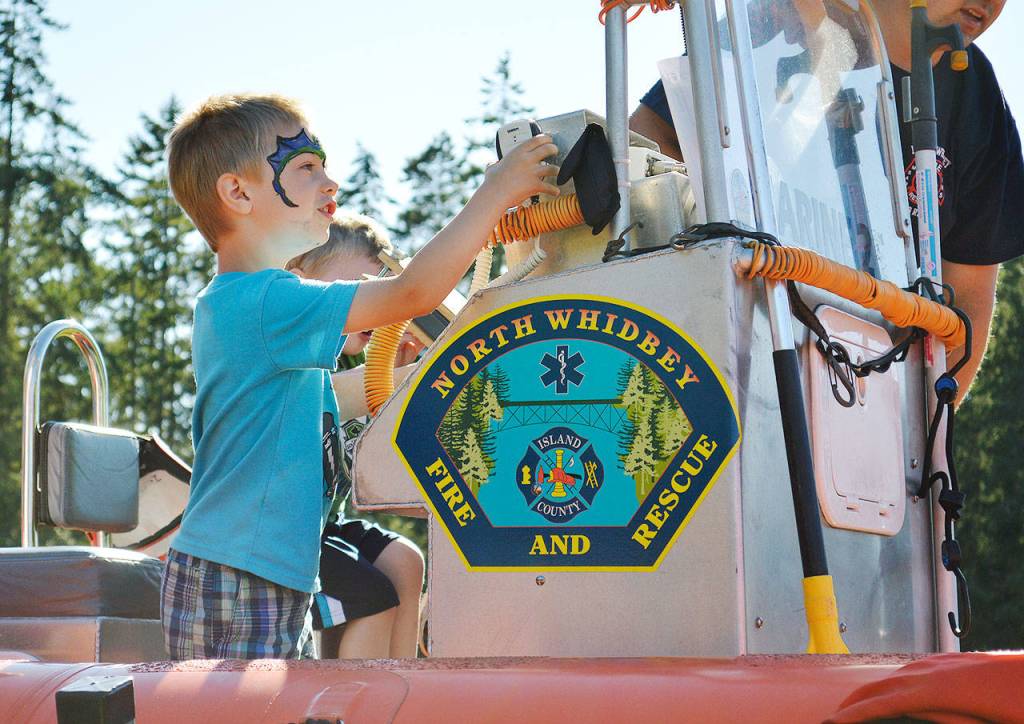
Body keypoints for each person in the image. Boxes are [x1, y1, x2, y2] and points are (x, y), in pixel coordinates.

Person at [161, 93, 558, 660]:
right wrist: (496, 194)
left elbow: (351, 394)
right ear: (239, 192)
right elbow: (411, 293)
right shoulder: (264, 300)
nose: (331, 183)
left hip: (267, 568)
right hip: (238, 572)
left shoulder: (254, 307)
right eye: (306, 166)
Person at [629, 0, 1023, 405]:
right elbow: (645, 143)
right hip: (733, 361)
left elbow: (968, 304)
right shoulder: (776, 24)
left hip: (875, 402)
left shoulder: (982, 100)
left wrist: (920, 439)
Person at [286, 214, 424, 659]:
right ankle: (355, 704)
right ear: (300, 281)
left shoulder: (343, 363)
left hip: (325, 522)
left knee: (405, 562)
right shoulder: (296, 358)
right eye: (360, 286)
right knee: (374, 601)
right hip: (283, 528)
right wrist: (406, 372)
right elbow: (347, 394)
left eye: (380, 286)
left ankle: (403, 690)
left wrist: (396, 370)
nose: (373, 300)